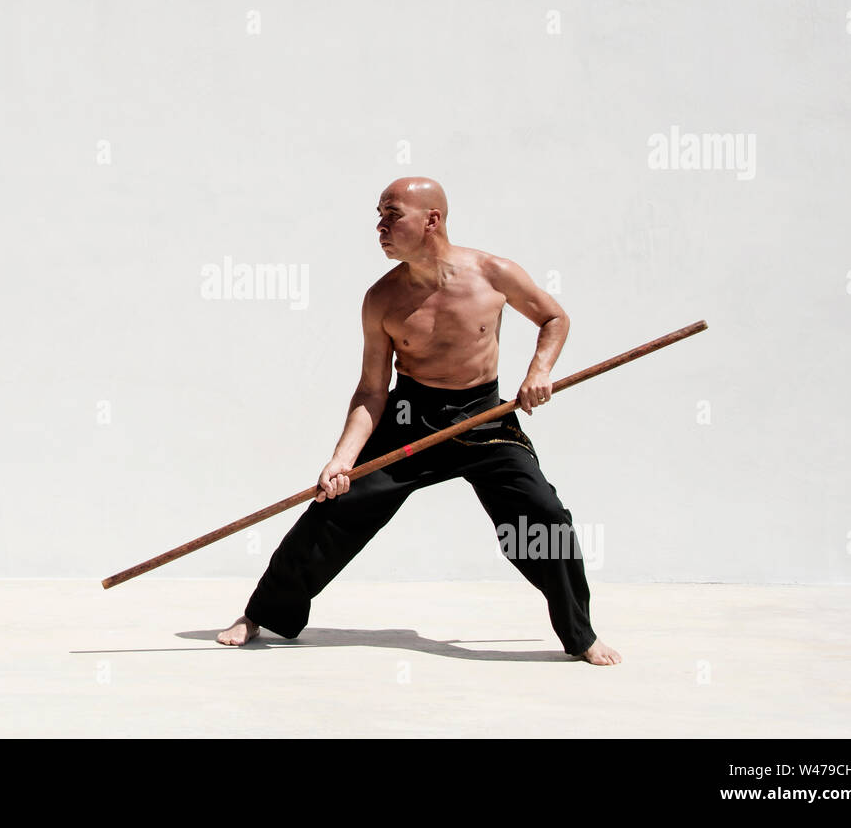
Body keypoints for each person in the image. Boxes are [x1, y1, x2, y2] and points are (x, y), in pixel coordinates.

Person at [217, 177, 622, 665]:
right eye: (379, 216)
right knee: (334, 509)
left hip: (485, 420)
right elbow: (371, 390)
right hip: (410, 418)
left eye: (392, 215)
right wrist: (340, 461)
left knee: (545, 517)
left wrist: (539, 373)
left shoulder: (494, 273)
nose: (380, 227)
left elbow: (554, 318)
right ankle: (261, 613)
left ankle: (579, 634)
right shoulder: (381, 299)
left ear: (432, 219)